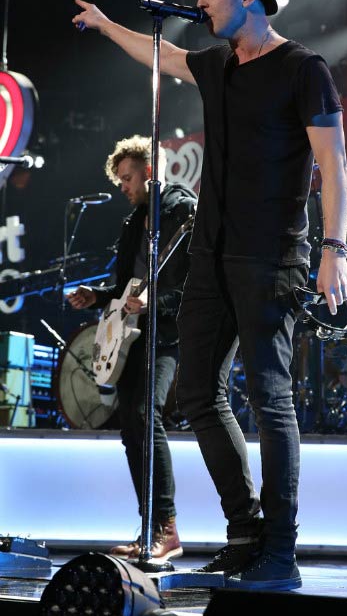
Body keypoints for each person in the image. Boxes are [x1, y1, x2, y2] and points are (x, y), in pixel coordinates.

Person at [72, 0, 347, 591]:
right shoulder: (218, 64)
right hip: (210, 258)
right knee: (195, 391)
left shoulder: (303, 69)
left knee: (270, 398)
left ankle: (280, 547)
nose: (198, 2)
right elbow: (162, 55)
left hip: (272, 255)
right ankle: (245, 529)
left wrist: (333, 250)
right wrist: (109, 23)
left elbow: (334, 165)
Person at [67, 135, 197, 564]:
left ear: (150, 170)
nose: (122, 186)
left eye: (127, 178)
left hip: (168, 333)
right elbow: (128, 289)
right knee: (130, 427)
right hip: (132, 333)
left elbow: (192, 282)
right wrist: (99, 295)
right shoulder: (132, 223)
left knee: (146, 414)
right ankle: (149, 528)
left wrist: (155, 304)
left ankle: (167, 527)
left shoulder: (182, 211)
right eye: (119, 180)